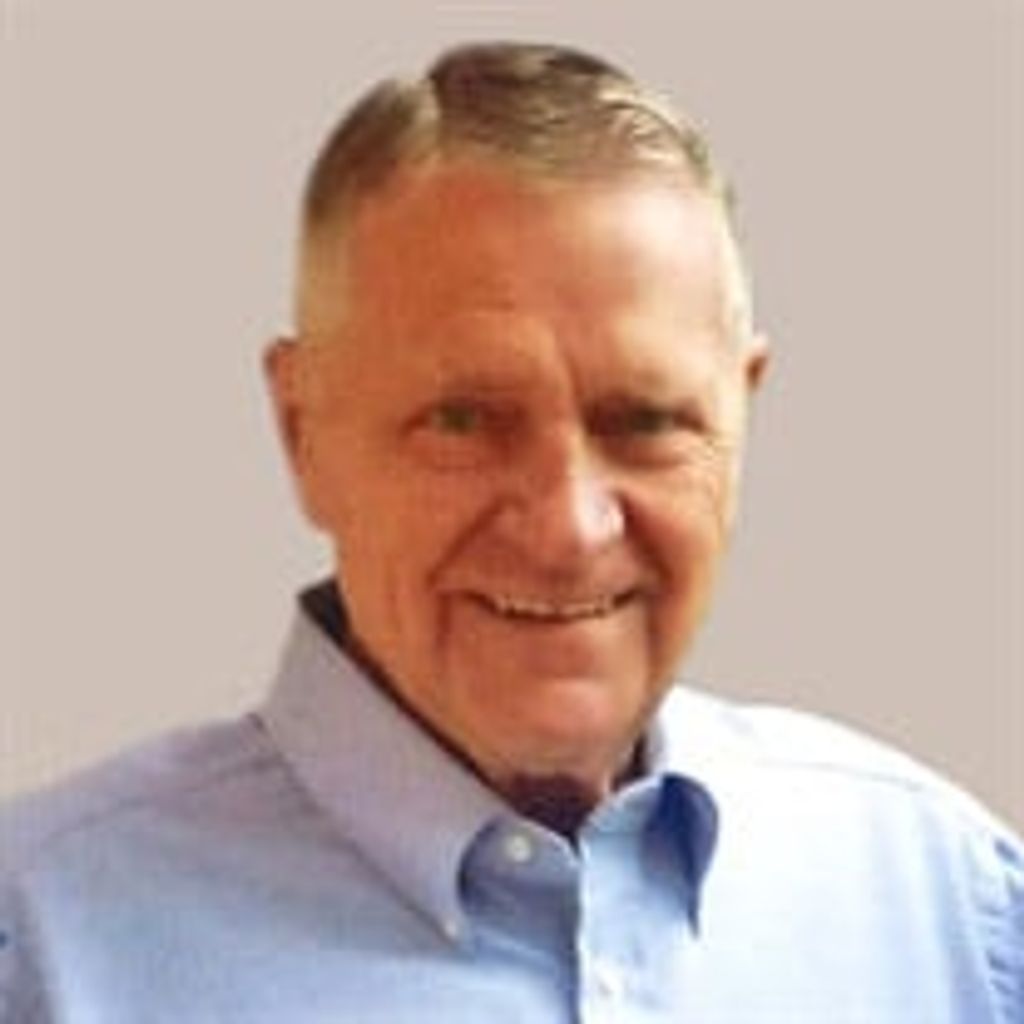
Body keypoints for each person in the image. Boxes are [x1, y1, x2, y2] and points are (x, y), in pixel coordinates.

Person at [2, 41, 1020, 1024]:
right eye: (463, 421)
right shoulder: (41, 947)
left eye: (645, 421)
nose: (569, 528)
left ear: (742, 413)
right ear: (302, 429)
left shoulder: (949, 913)